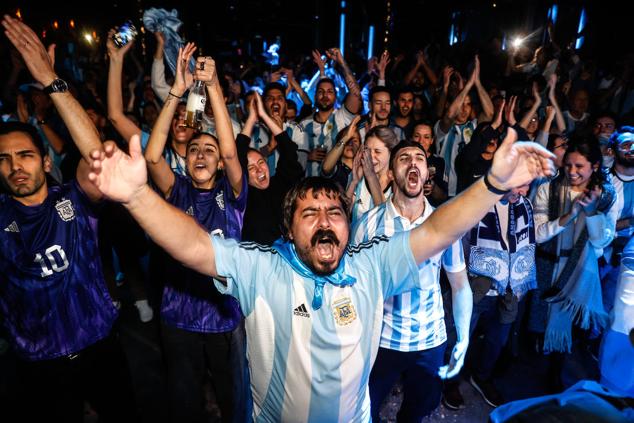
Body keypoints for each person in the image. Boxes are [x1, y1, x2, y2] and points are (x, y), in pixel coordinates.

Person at [87, 118, 555, 421]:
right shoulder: (262, 267)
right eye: (309, 215)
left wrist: (494, 184)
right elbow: (192, 245)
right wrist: (136, 196)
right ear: (289, 230)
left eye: (334, 214)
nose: (325, 223)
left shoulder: (371, 263)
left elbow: (436, 231)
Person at [0, 16, 135, 422]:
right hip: (39, 362)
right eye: (3, 160)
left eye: (24, 155)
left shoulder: (73, 199)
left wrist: (49, 80)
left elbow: (99, 158)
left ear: (44, 160)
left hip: (99, 345)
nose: (14, 167)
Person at [143, 46, 249, 423]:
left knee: (233, 396)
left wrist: (214, 88)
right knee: (184, 401)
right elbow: (153, 158)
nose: (202, 155)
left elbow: (233, 152)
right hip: (178, 314)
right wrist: (177, 90)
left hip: (224, 315)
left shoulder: (232, 194)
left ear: (220, 162)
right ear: (185, 161)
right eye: (194, 151)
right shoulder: (177, 191)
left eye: (210, 150)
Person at [352, 140, 472, 420]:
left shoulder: (444, 222)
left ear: (426, 171)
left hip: (429, 342)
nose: (413, 162)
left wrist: (463, 337)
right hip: (380, 341)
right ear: (392, 173)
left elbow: (460, 284)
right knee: (366, 409)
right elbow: (352, 287)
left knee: (418, 411)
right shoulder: (368, 225)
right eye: (404, 158)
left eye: (419, 158)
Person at [529, 137, 616, 387]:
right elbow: (538, 233)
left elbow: (601, 242)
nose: (572, 172)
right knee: (538, 324)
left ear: (594, 167)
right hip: (548, 264)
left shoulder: (605, 196)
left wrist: (590, 213)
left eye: (579, 166)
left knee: (569, 329)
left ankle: (555, 375)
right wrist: (571, 214)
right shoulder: (550, 188)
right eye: (568, 165)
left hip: (579, 274)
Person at [238, 92, 304, 244]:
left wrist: (264, 116)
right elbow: (238, 153)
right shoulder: (241, 194)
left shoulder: (279, 184)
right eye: (251, 167)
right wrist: (252, 119)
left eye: (261, 162)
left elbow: (289, 151)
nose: (259, 169)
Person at [297, 48, 362, 176]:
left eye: (329, 92)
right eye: (321, 92)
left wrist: (341, 62)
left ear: (336, 96)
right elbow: (294, 160)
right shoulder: (304, 124)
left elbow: (355, 93)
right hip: (310, 188)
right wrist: (307, 156)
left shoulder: (343, 117)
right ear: (315, 96)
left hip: (337, 188)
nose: (325, 95)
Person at [436, 55, 494, 197]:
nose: (464, 109)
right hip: (447, 194)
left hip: (470, 193)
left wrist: (477, 82)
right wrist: (468, 86)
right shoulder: (442, 128)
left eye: (468, 105)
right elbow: (449, 115)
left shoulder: (474, 126)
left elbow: (490, 113)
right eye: (461, 105)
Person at [347, 125, 399, 222]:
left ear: (391, 153)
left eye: (377, 152)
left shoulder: (397, 182)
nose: (370, 156)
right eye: (367, 150)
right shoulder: (358, 176)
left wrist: (371, 177)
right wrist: (353, 183)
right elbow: (344, 214)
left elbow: (387, 221)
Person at [320, 116, 362, 190]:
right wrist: (346, 137)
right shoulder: (336, 167)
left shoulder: (365, 168)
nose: (350, 144)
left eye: (355, 140)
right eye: (347, 141)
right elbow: (326, 168)